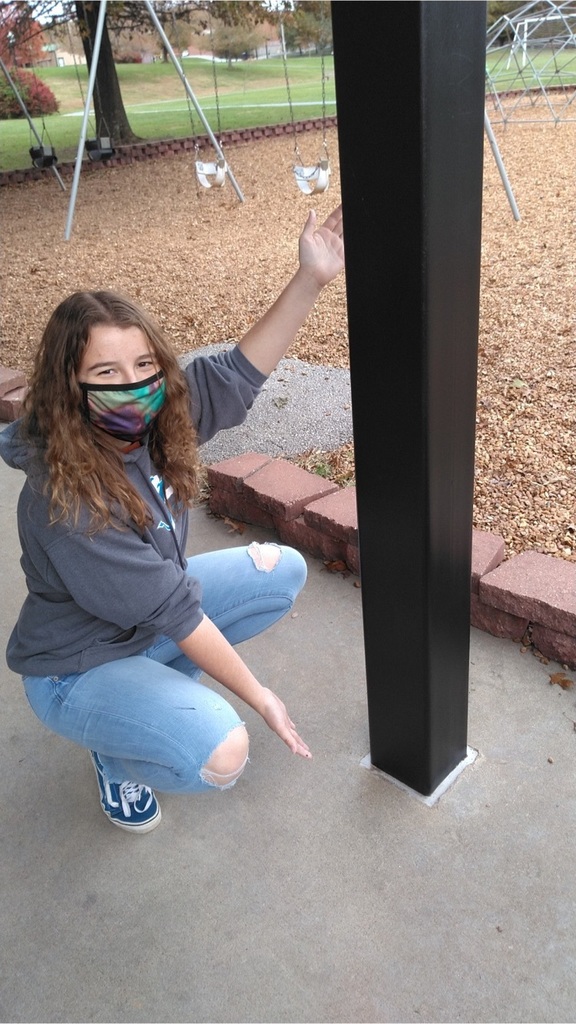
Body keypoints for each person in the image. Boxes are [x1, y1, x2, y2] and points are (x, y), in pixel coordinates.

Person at [0, 205, 344, 834]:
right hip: (76, 665)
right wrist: (262, 697)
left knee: (280, 571)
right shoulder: (65, 502)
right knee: (221, 752)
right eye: (105, 373)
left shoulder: (157, 422)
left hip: (139, 621)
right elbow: (177, 611)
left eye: (143, 366)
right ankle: (115, 755)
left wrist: (311, 279)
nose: (133, 387)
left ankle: (145, 697)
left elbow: (237, 375)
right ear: (68, 386)